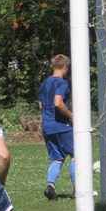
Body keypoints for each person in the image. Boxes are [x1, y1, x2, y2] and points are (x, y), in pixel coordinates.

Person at [37, 54, 75, 200]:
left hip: (47, 126)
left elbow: (41, 104)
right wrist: (71, 115)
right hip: (61, 125)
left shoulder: (45, 83)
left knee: (57, 158)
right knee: (77, 156)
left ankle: (50, 186)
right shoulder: (62, 83)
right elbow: (58, 102)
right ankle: (78, 190)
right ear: (65, 67)